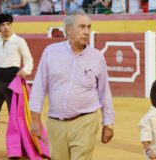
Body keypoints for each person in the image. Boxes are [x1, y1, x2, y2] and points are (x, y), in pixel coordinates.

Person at [29, 9, 115, 160]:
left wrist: (108, 123)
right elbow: (39, 87)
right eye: (82, 27)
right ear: (68, 30)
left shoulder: (97, 57)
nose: (87, 31)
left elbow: (104, 92)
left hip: (85, 122)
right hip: (56, 123)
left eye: (89, 27)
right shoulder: (51, 52)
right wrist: (35, 119)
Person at [0, 13, 33, 158]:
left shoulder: (19, 41)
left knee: (15, 117)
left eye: (8, 24)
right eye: (3, 25)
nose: (6, 27)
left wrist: (25, 70)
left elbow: (29, 59)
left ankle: (16, 150)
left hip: (13, 83)